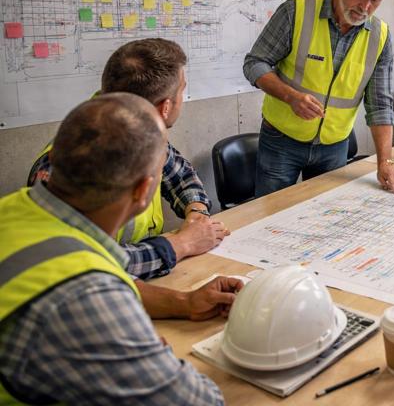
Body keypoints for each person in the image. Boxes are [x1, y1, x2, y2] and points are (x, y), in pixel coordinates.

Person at [0, 93, 241, 404]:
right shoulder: (86, 299)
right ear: (143, 191)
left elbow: (94, 274)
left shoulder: (18, 209)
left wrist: (183, 302)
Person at [28, 38, 229, 281]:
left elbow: (180, 174)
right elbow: (86, 264)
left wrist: (196, 210)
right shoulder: (73, 158)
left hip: (147, 274)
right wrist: (180, 244)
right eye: (182, 90)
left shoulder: (139, 131)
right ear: (165, 107)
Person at [243, 0, 394, 197]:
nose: (365, 7)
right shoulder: (296, 11)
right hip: (281, 142)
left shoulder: (380, 37)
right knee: (270, 213)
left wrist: (385, 161)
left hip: (334, 147)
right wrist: (290, 97)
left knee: (325, 220)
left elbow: (380, 105)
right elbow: (254, 63)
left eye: (375, 0)